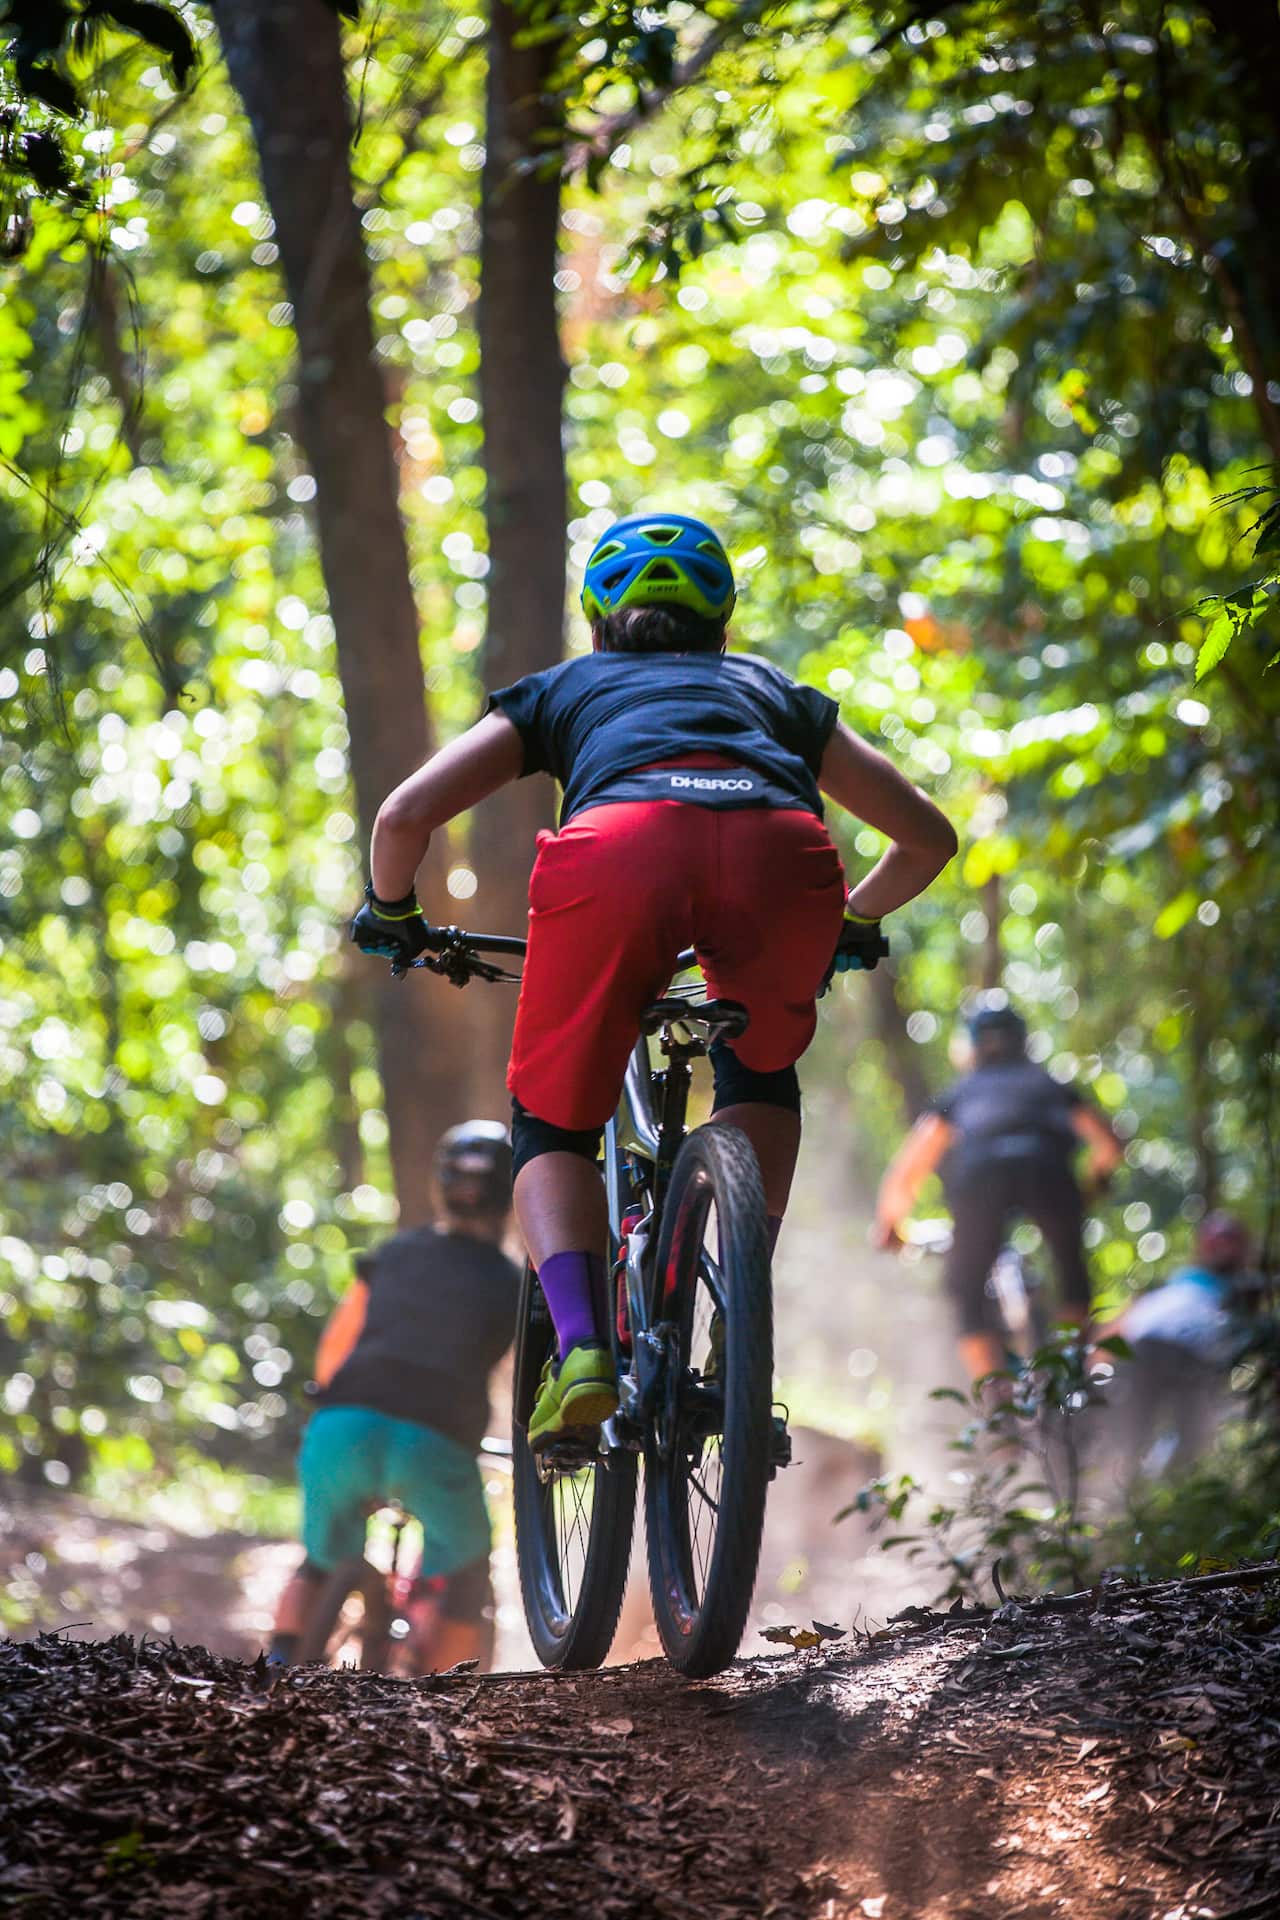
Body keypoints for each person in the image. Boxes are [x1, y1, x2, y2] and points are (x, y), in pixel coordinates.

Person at [351, 509, 957, 1449]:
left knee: (552, 1118)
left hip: (618, 854)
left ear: (597, 620)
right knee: (759, 1070)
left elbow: (403, 817)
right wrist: (855, 921)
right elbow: (927, 838)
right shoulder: (776, 693)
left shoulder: (565, 690)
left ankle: (586, 1347)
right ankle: (735, 1318)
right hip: (781, 854)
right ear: (724, 625)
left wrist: (393, 913)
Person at [269, 1122, 520, 1669]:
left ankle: (278, 1666)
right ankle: (445, 1693)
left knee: (316, 1561)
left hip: (344, 1423)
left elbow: (338, 1343)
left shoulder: (395, 1253)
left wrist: (332, 1397)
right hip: (435, 1439)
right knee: (468, 1573)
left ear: (439, 1186)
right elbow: (520, 1378)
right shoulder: (514, 1283)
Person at [873, 999, 1123, 1383]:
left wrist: (890, 1223)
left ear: (971, 1046)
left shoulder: (962, 1092)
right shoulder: (1049, 1084)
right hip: (1048, 1172)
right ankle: (1067, 1379)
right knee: (1073, 1276)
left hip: (979, 1181)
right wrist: (1094, 1182)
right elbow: (1109, 1144)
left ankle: (996, 1403)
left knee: (966, 1290)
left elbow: (912, 1165)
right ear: (1023, 1041)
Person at [1103, 1211, 1258, 1483]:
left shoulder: (1241, 1290)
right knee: (1137, 1433)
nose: (1222, 1249)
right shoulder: (1180, 1280)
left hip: (1181, 1352)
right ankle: (1125, 1496)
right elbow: (1128, 1316)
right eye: (1216, 1242)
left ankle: (1162, 1493)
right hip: (1154, 1348)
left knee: (1188, 1433)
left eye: (1229, 1242)